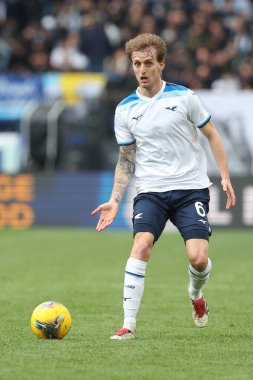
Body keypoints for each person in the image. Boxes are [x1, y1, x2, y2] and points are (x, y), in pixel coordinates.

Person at [91, 33, 236, 340]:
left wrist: (224, 175)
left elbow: (212, 135)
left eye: (148, 63)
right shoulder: (125, 109)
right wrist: (115, 199)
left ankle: (195, 295)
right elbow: (126, 159)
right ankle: (128, 324)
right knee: (141, 243)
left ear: (161, 64)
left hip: (190, 189)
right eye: (136, 64)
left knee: (198, 258)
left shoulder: (184, 98)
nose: (141, 69)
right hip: (150, 191)